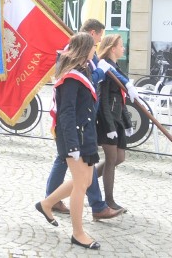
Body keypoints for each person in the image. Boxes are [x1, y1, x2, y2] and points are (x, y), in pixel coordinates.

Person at [44, 19, 135, 220]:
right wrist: (99, 73)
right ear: (91, 35)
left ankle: (52, 201)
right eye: (97, 41)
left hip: (84, 124)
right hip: (76, 126)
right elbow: (76, 93)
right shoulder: (71, 61)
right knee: (81, 175)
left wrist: (124, 83)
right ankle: (94, 207)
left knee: (80, 173)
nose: (98, 45)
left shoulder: (83, 58)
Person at [36, 32, 101, 250]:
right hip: (75, 137)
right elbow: (66, 113)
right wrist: (72, 146)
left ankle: (46, 203)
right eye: (93, 46)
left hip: (86, 134)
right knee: (81, 185)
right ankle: (78, 233)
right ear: (85, 48)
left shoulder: (84, 71)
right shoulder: (71, 77)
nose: (95, 49)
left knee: (86, 180)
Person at [95, 34, 132, 212]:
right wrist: (109, 127)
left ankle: (88, 180)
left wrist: (127, 121)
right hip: (106, 120)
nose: (123, 48)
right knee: (111, 159)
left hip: (116, 119)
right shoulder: (105, 68)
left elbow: (121, 97)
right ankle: (109, 201)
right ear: (112, 48)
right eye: (121, 45)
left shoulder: (115, 67)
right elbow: (103, 100)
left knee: (120, 158)